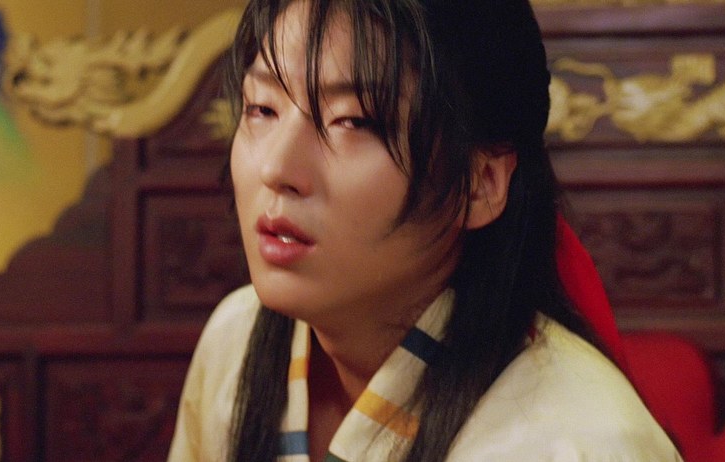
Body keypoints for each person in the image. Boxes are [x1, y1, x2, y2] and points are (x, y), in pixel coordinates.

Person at [168, 0, 682, 460]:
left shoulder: (577, 443)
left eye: (353, 121)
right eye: (261, 108)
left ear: (479, 183)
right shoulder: (235, 341)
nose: (276, 168)